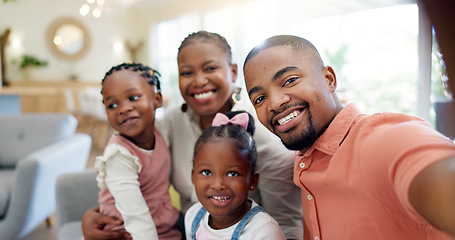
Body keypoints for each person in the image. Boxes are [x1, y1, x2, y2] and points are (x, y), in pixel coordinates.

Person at [82, 31, 303, 240]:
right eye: (187, 73)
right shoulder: (171, 122)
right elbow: (136, 169)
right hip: (188, 228)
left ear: (233, 71)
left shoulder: (265, 132)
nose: (198, 81)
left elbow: (285, 220)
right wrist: (94, 214)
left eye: (210, 68)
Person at [242, 34, 455, 239]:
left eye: (289, 80)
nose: (275, 102)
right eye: (260, 98)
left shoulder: (384, 139)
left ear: (329, 79)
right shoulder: (304, 155)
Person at [95, 62, 181, 240]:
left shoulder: (162, 131)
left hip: (164, 226)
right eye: (112, 105)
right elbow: (137, 219)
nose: (124, 109)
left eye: (133, 98)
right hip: (126, 232)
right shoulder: (118, 155)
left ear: (157, 100)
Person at [185, 111, 286, 240]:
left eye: (232, 174)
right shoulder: (193, 216)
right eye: (206, 172)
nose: (218, 185)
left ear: (252, 181)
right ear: (193, 176)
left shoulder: (263, 231)